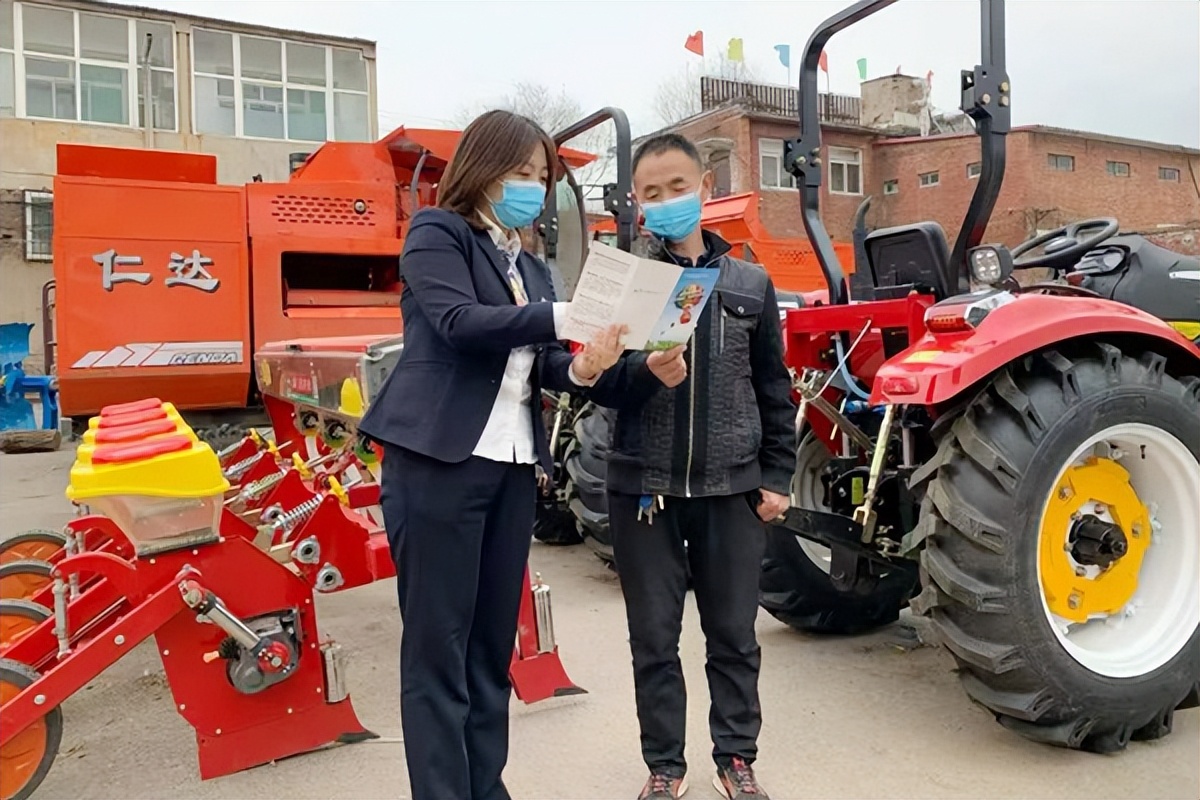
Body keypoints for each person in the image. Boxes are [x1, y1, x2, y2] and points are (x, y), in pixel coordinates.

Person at [357, 109, 625, 800]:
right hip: (439, 463)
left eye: (542, 177)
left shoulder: (531, 266)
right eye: (522, 173)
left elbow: (541, 367)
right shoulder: (437, 234)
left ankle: (486, 787)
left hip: (510, 469)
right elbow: (457, 325)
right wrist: (566, 317)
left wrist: (587, 365)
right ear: (482, 169)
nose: (532, 187)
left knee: (487, 649)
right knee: (437, 650)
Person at [584, 133, 797, 800]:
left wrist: (777, 475)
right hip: (641, 488)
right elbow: (596, 389)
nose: (667, 202)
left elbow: (773, 387)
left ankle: (735, 758)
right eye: (651, 195)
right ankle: (664, 767)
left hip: (728, 488)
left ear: (706, 189)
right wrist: (646, 372)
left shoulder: (750, 284)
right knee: (653, 639)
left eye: (678, 188)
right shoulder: (625, 282)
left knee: (734, 635)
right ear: (638, 207)